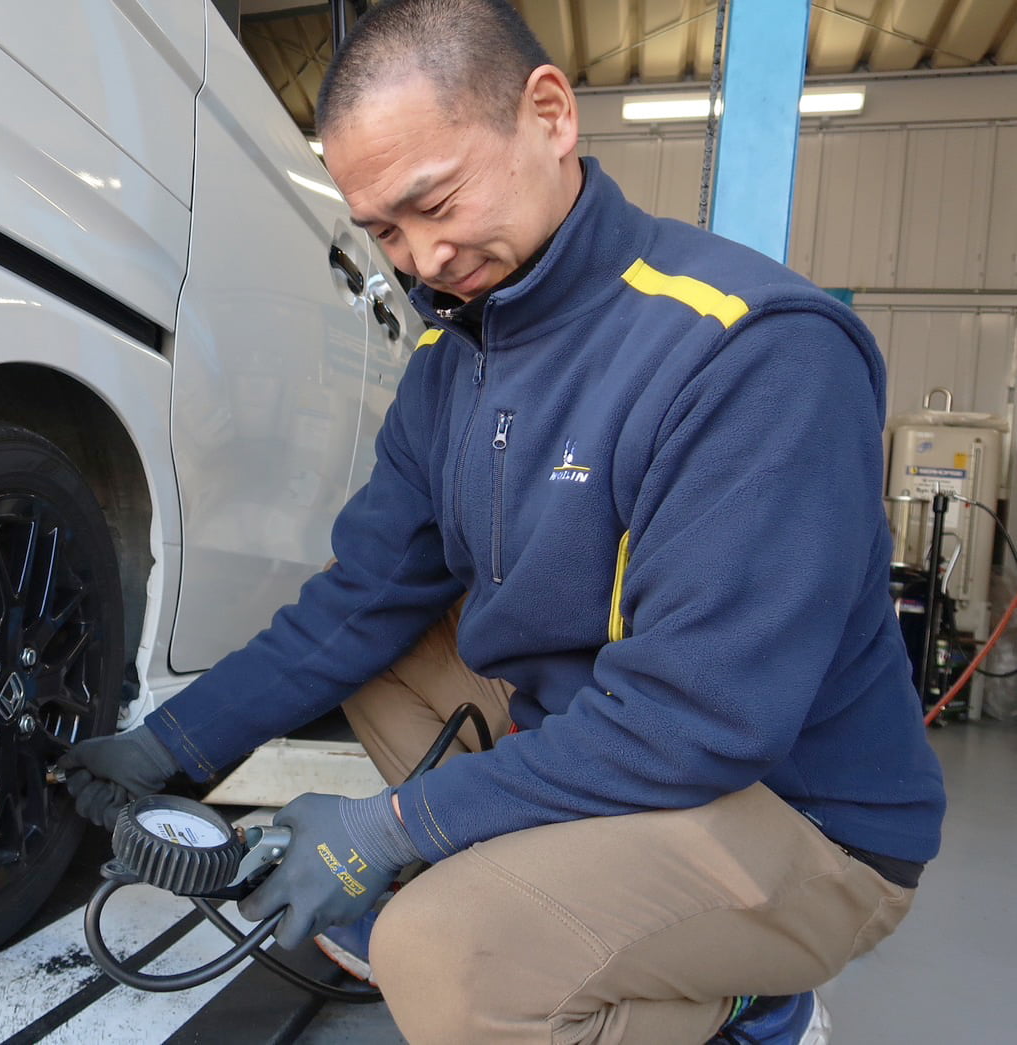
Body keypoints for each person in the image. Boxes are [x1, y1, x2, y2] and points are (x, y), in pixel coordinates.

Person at [58, 1, 946, 1041]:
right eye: (384, 230)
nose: (422, 257)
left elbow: (697, 720)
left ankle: (752, 1004)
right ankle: (571, 908)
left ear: (550, 115)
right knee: (380, 645)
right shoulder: (451, 366)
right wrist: (168, 746)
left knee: (437, 951)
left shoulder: (751, 351)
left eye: (434, 200)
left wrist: (390, 831)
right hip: (615, 753)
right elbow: (355, 603)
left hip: (798, 816)